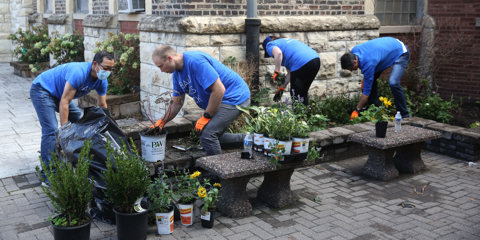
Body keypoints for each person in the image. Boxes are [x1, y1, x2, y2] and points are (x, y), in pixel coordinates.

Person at [151, 45, 251, 156]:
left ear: (170, 58)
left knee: (208, 135)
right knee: (204, 133)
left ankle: (220, 170)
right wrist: (162, 121)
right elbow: (177, 102)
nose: (161, 70)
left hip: (235, 97)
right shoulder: (177, 74)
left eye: (161, 66)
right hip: (222, 100)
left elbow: (219, 90)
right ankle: (253, 140)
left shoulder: (195, 61)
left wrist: (206, 116)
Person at [30, 51, 114, 179]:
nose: (108, 71)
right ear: (95, 64)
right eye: (106, 68)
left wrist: (107, 127)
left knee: (81, 121)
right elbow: (65, 102)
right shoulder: (79, 72)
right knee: (51, 129)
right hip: (42, 89)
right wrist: (64, 134)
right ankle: (47, 174)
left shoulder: (102, 81)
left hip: (59, 94)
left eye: (111, 69)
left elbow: (102, 105)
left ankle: (76, 154)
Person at [341, 37, 410, 119]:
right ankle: (374, 110)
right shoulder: (354, 51)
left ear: (355, 62)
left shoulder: (368, 64)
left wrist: (357, 110)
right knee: (370, 81)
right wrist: (366, 82)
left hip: (401, 52)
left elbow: (366, 93)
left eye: (350, 69)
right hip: (390, 45)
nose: (351, 71)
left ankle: (404, 114)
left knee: (393, 83)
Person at [262, 36, 320, 105]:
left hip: (302, 63)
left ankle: (298, 115)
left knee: (295, 93)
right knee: (302, 92)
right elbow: (290, 73)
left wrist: (276, 71)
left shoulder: (269, 45)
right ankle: (305, 114)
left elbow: (278, 53)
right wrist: (282, 87)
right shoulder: (285, 45)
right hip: (315, 60)